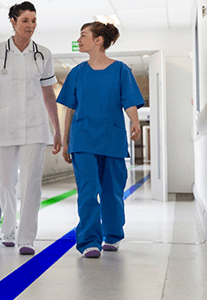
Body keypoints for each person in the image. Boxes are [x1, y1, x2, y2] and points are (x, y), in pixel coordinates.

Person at [0, 1, 62, 255]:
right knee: (3, 180)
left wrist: (56, 128)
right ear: (13, 22)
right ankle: (8, 228)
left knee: (31, 182)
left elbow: (48, 94)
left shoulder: (43, 54)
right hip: (3, 125)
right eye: (25, 20)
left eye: (34, 21)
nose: (30, 25)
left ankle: (26, 237)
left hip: (36, 126)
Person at [56, 21, 144, 259]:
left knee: (111, 191)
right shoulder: (77, 73)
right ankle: (89, 241)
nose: (79, 40)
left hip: (112, 138)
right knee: (87, 191)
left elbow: (129, 101)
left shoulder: (121, 70)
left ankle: (112, 235)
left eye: (83, 35)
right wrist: (66, 141)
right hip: (83, 139)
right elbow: (70, 110)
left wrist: (135, 122)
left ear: (98, 41)